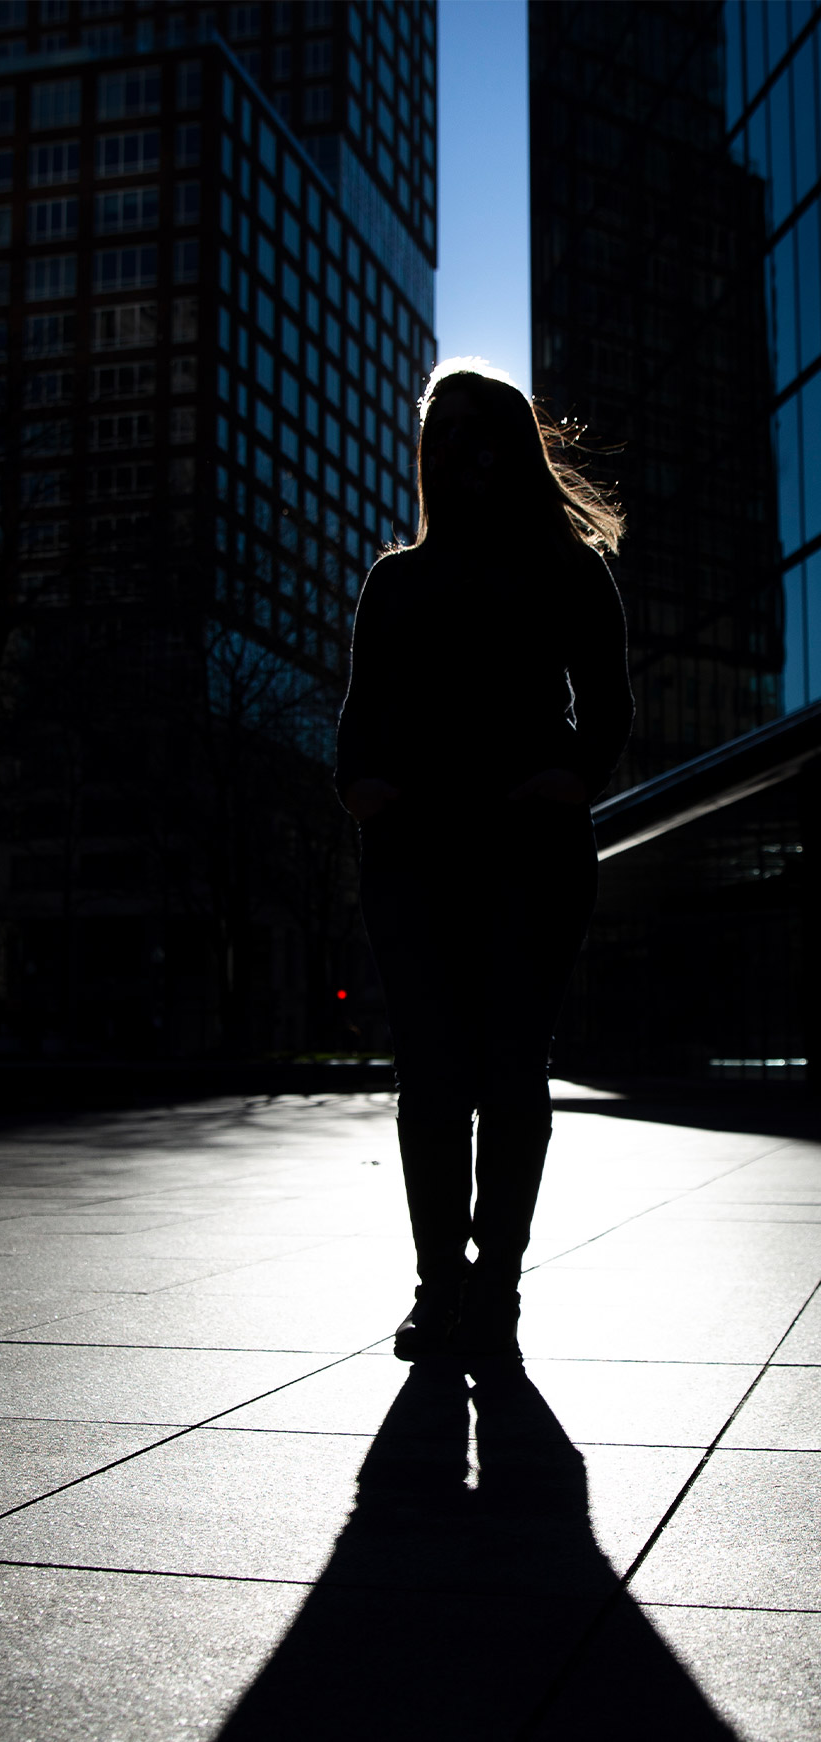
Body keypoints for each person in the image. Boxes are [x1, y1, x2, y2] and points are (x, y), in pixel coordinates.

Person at [335, 358, 634, 1362]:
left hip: (527, 854)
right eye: (443, 429)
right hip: (413, 855)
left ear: (512, 441)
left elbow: (609, 706)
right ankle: (438, 1289)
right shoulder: (397, 578)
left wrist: (571, 774)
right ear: (428, 452)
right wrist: (363, 786)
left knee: (510, 1075)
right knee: (430, 1079)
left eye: (480, 426)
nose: (461, 444)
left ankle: (493, 1284)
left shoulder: (565, 567)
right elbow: (358, 718)